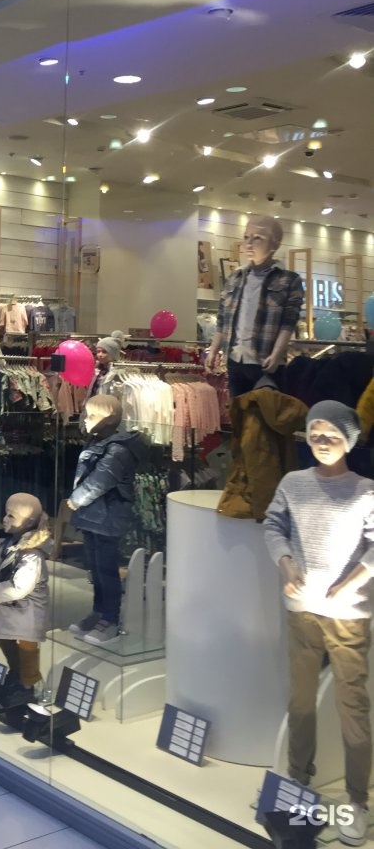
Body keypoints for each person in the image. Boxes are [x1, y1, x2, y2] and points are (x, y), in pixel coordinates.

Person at [264, 401, 374, 848]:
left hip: (348, 614)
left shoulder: (365, 490)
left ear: (349, 439)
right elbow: (273, 526)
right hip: (303, 608)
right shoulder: (293, 483)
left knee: (352, 707)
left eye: (331, 435)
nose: (321, 442)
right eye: (314, 435)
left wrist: (353, 580)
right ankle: (298, 783)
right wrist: (286, 564)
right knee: (301, 702)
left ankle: (357, 801)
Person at [66, 394, 143, 645]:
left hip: (107, 516)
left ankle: (110, 619)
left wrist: (77, 499)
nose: (86, 420)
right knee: (95, 568)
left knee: (107, 569)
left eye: (92, 415)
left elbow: (101, 480)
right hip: (94, 515)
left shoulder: (117, 450)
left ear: (110, 419)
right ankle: (99, 611)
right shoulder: (99, 442)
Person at [206, 213, 304, 398]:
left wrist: (276, 354)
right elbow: (222, 320)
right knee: (238, 412)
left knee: (266, 413)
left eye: (258, 238)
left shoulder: (289, 280)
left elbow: (288, 323)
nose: (249, 244)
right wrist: (213, 351)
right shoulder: (235, 278)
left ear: (275, 244)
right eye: (246, 237)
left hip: (266, 363)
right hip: (235, 360)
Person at [0, 492, 53, 708]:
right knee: (5, 637)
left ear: (29, 523)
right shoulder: (6, 541)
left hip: (25, 607)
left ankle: (29, 684)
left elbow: (21, 586)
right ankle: (16, 676)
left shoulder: (32, 554)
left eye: (11, 516)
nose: (5, 519)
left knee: (27, 646)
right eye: (6, 514)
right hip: (7, 605)